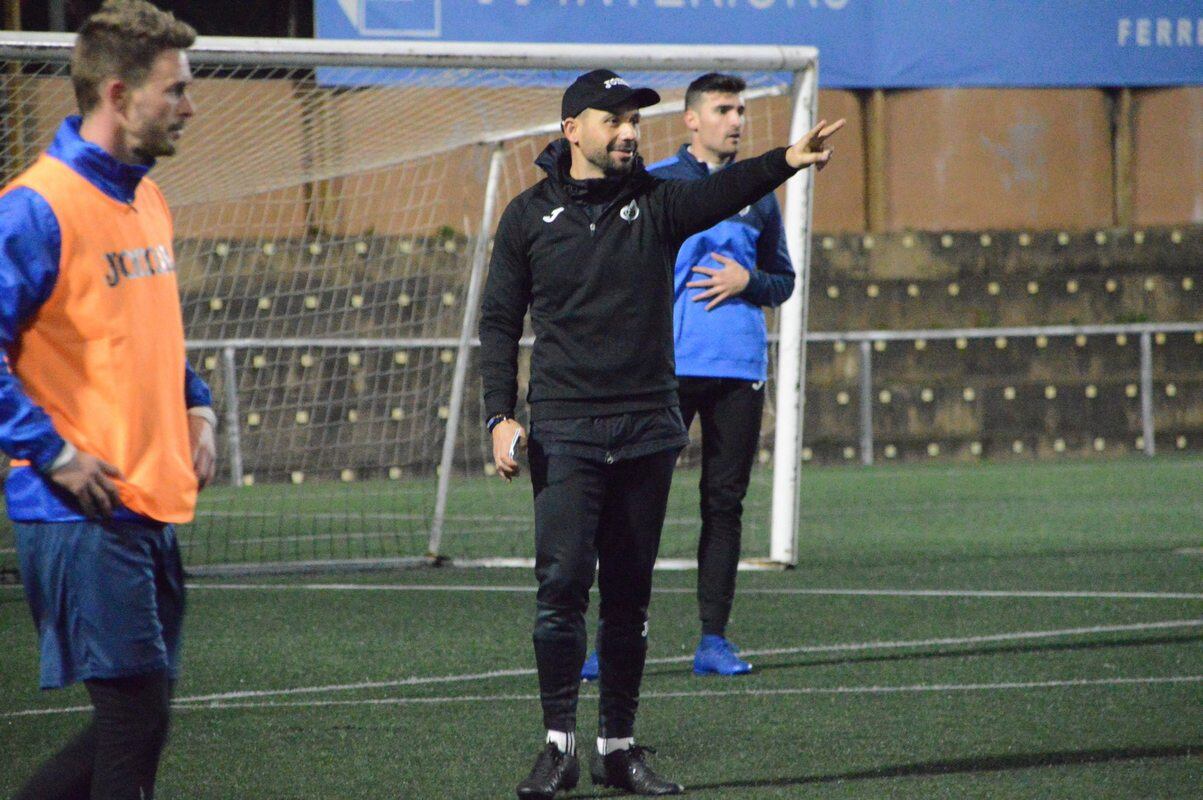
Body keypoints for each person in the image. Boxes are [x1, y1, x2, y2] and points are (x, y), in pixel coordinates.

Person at [479, 68, 842, 799]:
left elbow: (720, 192)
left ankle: (618, 746)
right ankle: (557, 747)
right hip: (566, 432)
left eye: (635, 122)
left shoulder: (656, 202)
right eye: (612, 120)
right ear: (571, 128)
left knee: (629, 600)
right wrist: (498, 415)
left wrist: (783, 161)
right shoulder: (525, 217)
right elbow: (497, 322)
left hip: (647, 430)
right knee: (559, 590)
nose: (626, 133)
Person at [1, 3, 215, 798]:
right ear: (120, 95)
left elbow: (154, 337)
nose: (190, 108)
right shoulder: (35, 206)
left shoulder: (146, 198)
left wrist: (200, 406)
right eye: (177, 90)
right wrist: (50, 452)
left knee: (139, 717)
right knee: (133, 721)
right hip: (81, 513)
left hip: (146, 503)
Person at [581, 73, 794, 683]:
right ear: (692, 119)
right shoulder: (657, 185)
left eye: (742, 110)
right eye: (724, 109)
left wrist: (748, 282)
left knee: (723, 505)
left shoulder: (760, 194)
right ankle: (611, 641)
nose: (737, 120)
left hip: (738, 368)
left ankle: (713, 640)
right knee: (632, 506)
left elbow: (783, 278)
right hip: (664, 369)